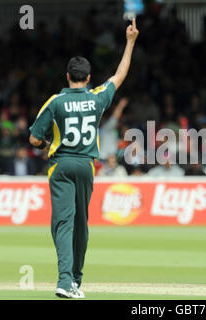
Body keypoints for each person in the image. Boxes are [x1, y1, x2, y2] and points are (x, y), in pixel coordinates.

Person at [28, 19, 139, 298]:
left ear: (67, 76)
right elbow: (119, 75)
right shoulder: (97, 98)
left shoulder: (55, 102)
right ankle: (76, 280)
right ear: (88, 78)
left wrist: (49, 144)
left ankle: (65, 281)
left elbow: (32, 139)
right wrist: (130, 41)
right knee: (81, 224)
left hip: (61, 165)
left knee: (63, 224)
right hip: (87, 166)